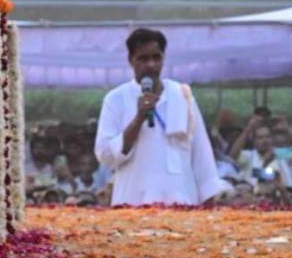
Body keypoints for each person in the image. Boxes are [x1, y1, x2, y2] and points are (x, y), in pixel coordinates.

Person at [93, 28, 226, 205]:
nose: (151, 65)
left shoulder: (182, 95)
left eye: (157, 57)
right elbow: (105, 155)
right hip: (133, 202)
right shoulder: (116, 99)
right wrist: (139, 118)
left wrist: (209, 198)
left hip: (181, 200)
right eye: (143, 58)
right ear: (131, 59)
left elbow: (201, 152)